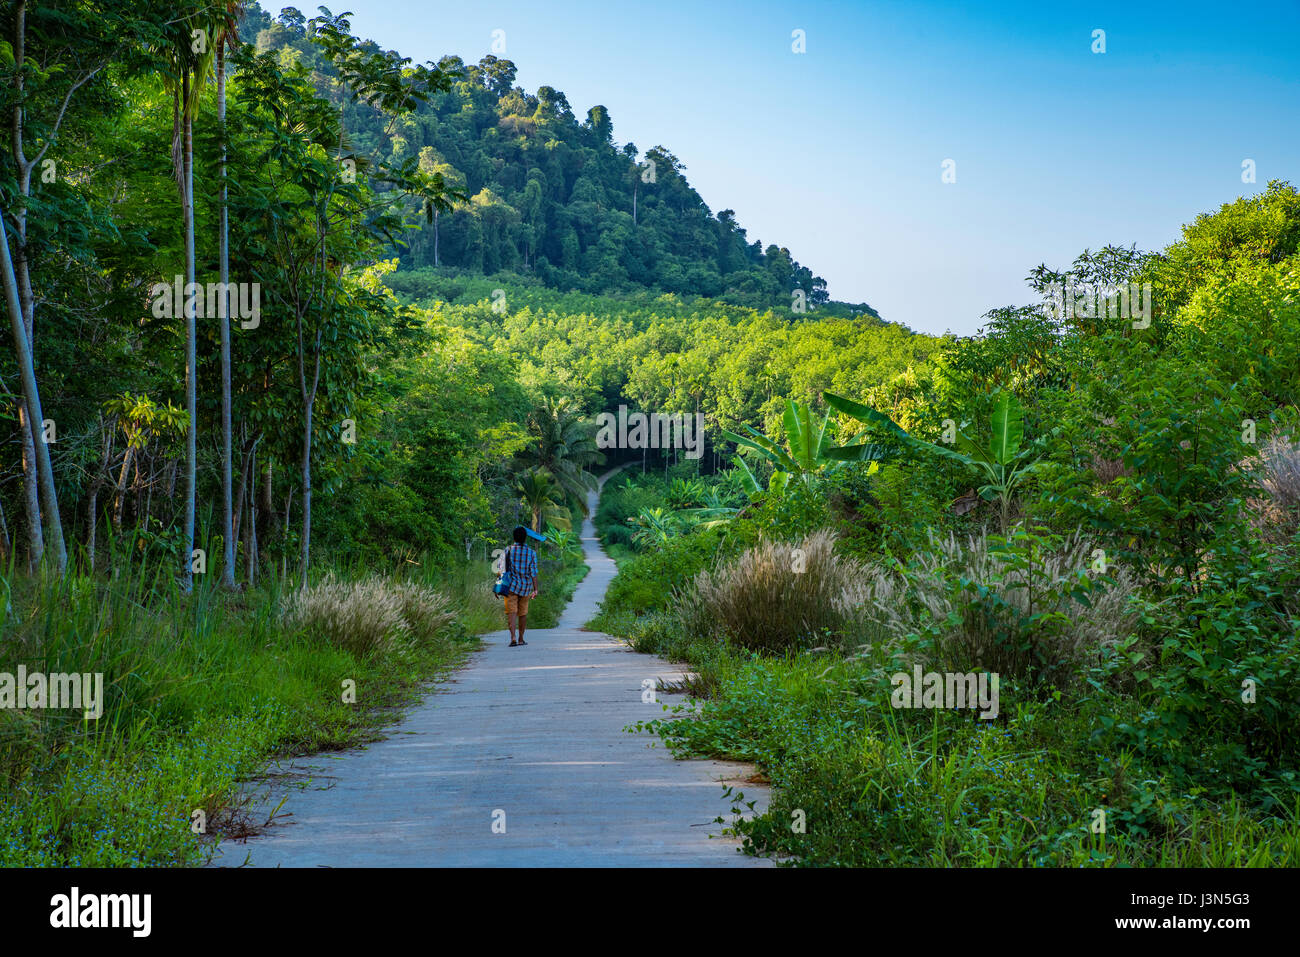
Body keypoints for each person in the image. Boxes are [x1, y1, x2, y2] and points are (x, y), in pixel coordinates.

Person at [503, 525, 539, 647]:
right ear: (525, 538)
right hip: (525, 588)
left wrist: (497, 587)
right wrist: (535, 589)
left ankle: (512, 637)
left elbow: (502, 570)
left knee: (511, 613)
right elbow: (533, 573)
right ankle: (521, 638)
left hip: (511, 587)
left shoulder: (508, 550)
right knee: (522, 613)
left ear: (514, 537)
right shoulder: (531, 553)